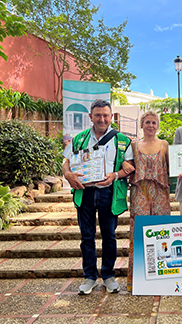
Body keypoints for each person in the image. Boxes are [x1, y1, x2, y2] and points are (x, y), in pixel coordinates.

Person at [62, 99, 134, 295]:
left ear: (111, 117)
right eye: (98, 115)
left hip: (109, 193)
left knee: (109, 236)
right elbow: (66, 162)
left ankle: (108, 276)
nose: (102, 119)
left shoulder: (122, 140)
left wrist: (116, 174)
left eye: (105, 115)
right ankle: (90, 276)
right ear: (90, 117)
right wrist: (68, 175)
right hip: (84, 192)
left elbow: (128, 165)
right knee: (87, 237)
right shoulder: (79, 139)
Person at [127, 111, 171, 292]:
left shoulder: (165, 145)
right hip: (140, 193)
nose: (151, 125)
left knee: (162, 235)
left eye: (154, 122)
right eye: (147, 122)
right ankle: (137, 279)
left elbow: (172, 167)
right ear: (141, 125)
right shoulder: (134, 145)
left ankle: (162, 278)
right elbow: (127, 164)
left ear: (157, 125)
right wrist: (124, 165)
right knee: (138, 234)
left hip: (161, 193)